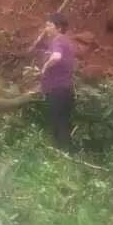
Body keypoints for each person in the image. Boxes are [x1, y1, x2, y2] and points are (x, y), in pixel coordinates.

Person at [32, 12, 77, 150]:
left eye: (49, 25)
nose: (47, 28)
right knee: (62, 124)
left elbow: (56, 57)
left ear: (59, 28)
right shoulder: (64, 41)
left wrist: (45, 67)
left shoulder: (58, 40)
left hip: (57, 90)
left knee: (58, 124)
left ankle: (62, 156)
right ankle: (64, 156)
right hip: (64, 89)